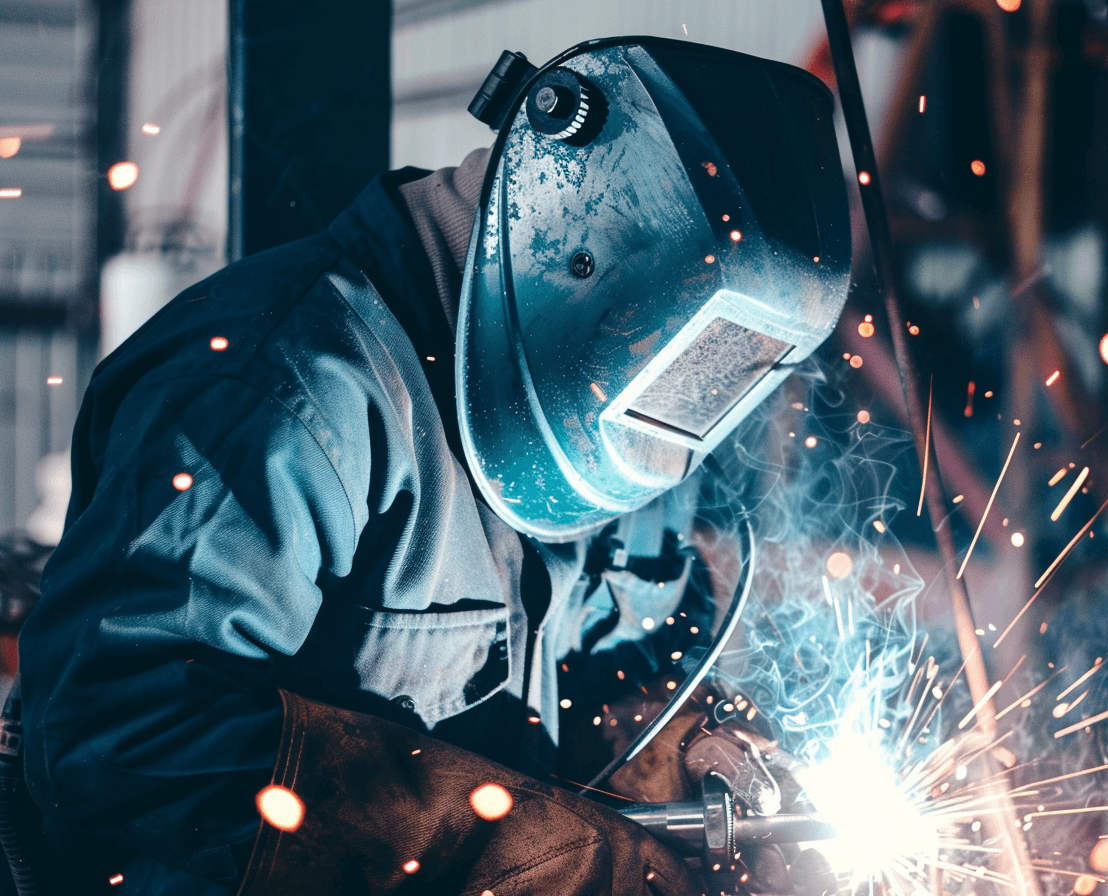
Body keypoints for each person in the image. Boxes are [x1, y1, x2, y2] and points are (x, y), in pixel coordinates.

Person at [17, 37, 850, 896]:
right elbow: (115, 737)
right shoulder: (284, 389)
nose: (677, 407)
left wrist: (699, 758)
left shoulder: (619, 429)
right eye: (668, 350)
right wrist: (558, 861)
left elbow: (634, 662)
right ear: (581, 244)